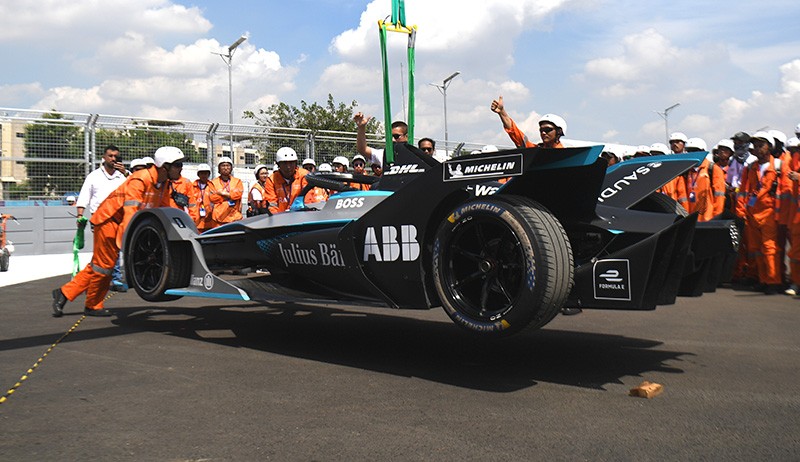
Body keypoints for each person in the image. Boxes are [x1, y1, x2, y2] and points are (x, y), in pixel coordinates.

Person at [52, 146, 185, 317]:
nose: (181, 168)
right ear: (164, 166)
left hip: (120, 223)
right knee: (103, 267)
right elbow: (130, 211)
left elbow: (164, 209)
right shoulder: (140, 179)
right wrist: (128, 243)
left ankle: (65, 293)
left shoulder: (164, 184)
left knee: (98, 266)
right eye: (177, 165)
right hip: (109, 220)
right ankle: (91, 305)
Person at [75, 144, 129, 291]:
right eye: (110, 156)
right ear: (104, 157)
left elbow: (134, 188)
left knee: (115, 248)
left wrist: (126, 173)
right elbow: (84, 196)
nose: (113, 159)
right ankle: (102, 280)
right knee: (103, 251)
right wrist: (80, 215)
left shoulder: (122, 176)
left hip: (118, 218)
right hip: (99, 218)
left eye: (116, 156)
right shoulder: (94, 176)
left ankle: (112, 279)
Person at [736, 132, 782, 294]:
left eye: (761, 145)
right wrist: (742, 211)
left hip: (770, 213)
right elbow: (744, 191)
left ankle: (774, 281)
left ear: (769, 147)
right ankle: (763, 280)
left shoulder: (778, 166)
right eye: (755, 146)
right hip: (753, 213)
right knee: (756, 249)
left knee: (770, 248)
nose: (757, 149)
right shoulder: (751, 167)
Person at [489, 95, 565, 149]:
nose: (543, 133)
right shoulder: (535, 151)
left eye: (547, 130)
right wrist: (502, 112)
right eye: (541, 130)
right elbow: (515, 134)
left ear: (559, 131)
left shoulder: (565, 155)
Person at [682, 137, 726, 221]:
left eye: (694, 151)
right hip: (691, 218)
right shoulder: (687, 171)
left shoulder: (712, 169)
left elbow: (719, 196)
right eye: (689, 151)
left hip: (709, 218)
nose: (691, 154)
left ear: (702, 151)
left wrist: (716, 217)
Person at [264, 147, 309, 214]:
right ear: (278, 164)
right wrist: (277, 217)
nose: (288, 167)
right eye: (284, 163)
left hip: (302, 215)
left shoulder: (304, 175)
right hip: (281, 217)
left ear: (295, 163)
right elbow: (272, 204)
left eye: (291, 163)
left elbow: (309, 199)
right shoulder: (272, 180)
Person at [208, 156, 244, 226]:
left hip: (234, 217)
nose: (225, 168)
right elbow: (213, 198)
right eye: (223, 166)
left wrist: (223, 194)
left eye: (228, 165)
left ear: (231, 168)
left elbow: (238, 194)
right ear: (219, 168)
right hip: (219, 218)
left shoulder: (237, 181)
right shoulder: (213, 183)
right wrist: (230, 196)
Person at [189, 163, 213, 232]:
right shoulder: (192, 187)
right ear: (198, 174)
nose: (204, 175)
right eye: (202, 173)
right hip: (196, 221)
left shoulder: (212, 186)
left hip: (210, 221)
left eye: (205, 173)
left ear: (208, 174)